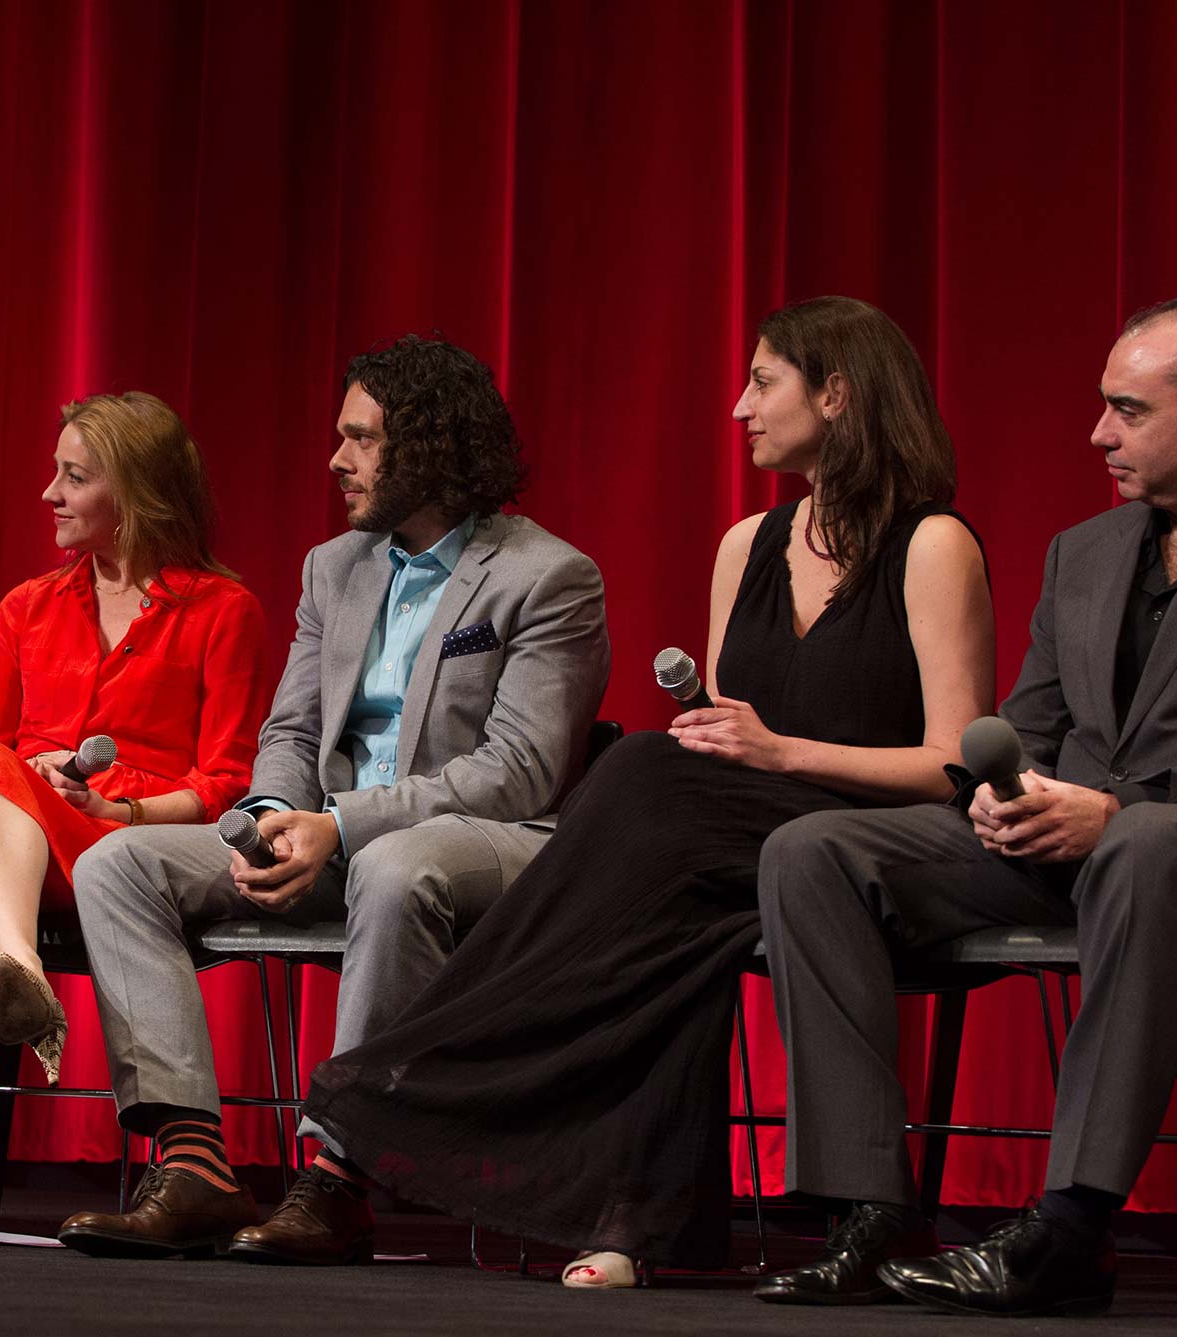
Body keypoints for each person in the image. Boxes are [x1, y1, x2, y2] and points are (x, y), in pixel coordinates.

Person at [302, 297, 994, 1286]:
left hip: (872, 834)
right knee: (670, 922)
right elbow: (716, 741)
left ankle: (442, 1068)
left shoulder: (931, 545)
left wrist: (782, 753)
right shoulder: (745, 545)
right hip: (739, 834)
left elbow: (952, 765)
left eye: (763, 382)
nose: (739, 408)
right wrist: (736, 745)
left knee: (634, 777)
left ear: (837, 395)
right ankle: (630, 1215)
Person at [754, 295, 1177, 1317]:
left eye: (1128, 410)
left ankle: (1071, 1230)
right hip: (1075, 839)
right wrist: (1005, 796)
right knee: (814, 851)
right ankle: (872, 1208)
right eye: (1103, 405)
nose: (1098, 433)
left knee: (1147, 843)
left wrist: (1114, 808)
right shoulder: (1085, 551)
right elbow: (1027, 725)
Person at [56, 334, 610, 1261]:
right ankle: (193, 1165)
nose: (336, 460)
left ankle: (339, 1177)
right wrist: (269, 819)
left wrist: (340, 824)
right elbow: (293, 730)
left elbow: (519, 770)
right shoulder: (335, 567)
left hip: (490, 840)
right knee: (118, 863)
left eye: (361, 439)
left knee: (392, 865)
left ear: (427, 447)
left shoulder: (546, 575)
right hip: (331, 836)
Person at [0, 392, 265, 1243]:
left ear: (137, 493)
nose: (50, 494)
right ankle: (15, 971)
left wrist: (117, 805)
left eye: (74, 478)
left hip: (131, 853)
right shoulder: (26, 607)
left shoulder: (223, 611)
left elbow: (225, 784)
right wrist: (33, 779)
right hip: (17, 848)